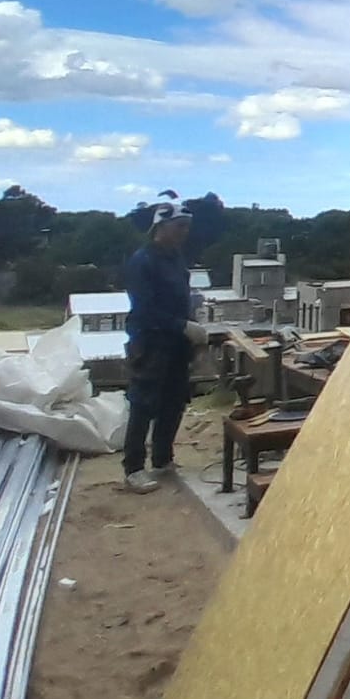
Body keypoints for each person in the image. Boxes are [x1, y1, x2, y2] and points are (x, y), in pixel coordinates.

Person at [122, 200, 206, 493]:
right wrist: (181, 325)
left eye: (187, 227)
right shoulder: (142, 261)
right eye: (179, 226)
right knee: (144, 404)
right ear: (161, 226)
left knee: (173, 401)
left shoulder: (175, 258)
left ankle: (162, 459)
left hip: (176, 344)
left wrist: (191, 329)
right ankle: (133, 468)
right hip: (151, 341)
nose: (184, 232)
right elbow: (144, 309)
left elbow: (181, 298)